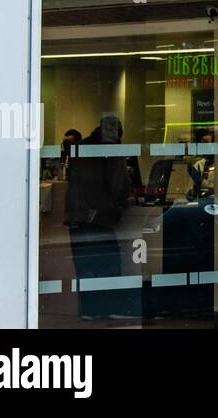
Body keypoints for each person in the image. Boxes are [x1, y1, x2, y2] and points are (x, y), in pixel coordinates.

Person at [64, 114, 135, 321]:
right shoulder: (112, 148)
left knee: (85, 265)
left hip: (75, 213)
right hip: (98, 214)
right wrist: (123, 201)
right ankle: (111, 307)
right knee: (108, 263)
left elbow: (71, 177)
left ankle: (89, 310)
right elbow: (119, 183)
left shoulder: (81, 146)